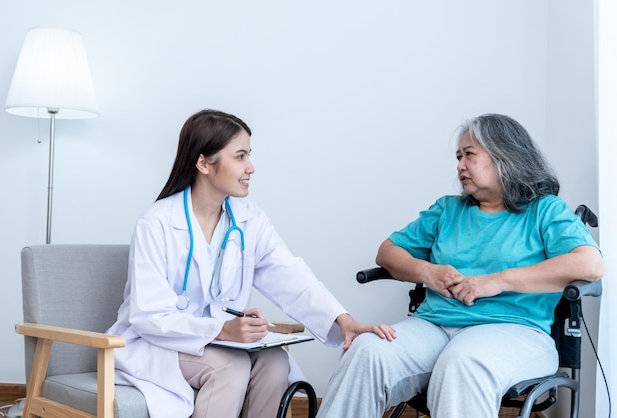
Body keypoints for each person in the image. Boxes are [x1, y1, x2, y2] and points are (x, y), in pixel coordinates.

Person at [106, 109, 395, 418]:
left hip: (220, 343)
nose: (251, 168)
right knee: (229, 367)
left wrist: (342, 320)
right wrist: (223, 329)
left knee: (275, 363)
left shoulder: (249, 219)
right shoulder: (157, 223)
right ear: (204, 163)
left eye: (249, 155)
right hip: (158, 344)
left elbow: (290, 275)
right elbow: (149, 315)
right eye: (240, 156)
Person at [316, 113, 604, 418]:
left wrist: (497, 281)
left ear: (504, 156)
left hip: (515, 330)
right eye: (458, 156)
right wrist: (429, 272)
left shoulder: (545, 210)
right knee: (367, 352)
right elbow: (387, 252)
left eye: (469, 155)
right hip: (433, 325)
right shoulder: (447, 210)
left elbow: (590, 263)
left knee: (463, 361)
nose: (459, 165)